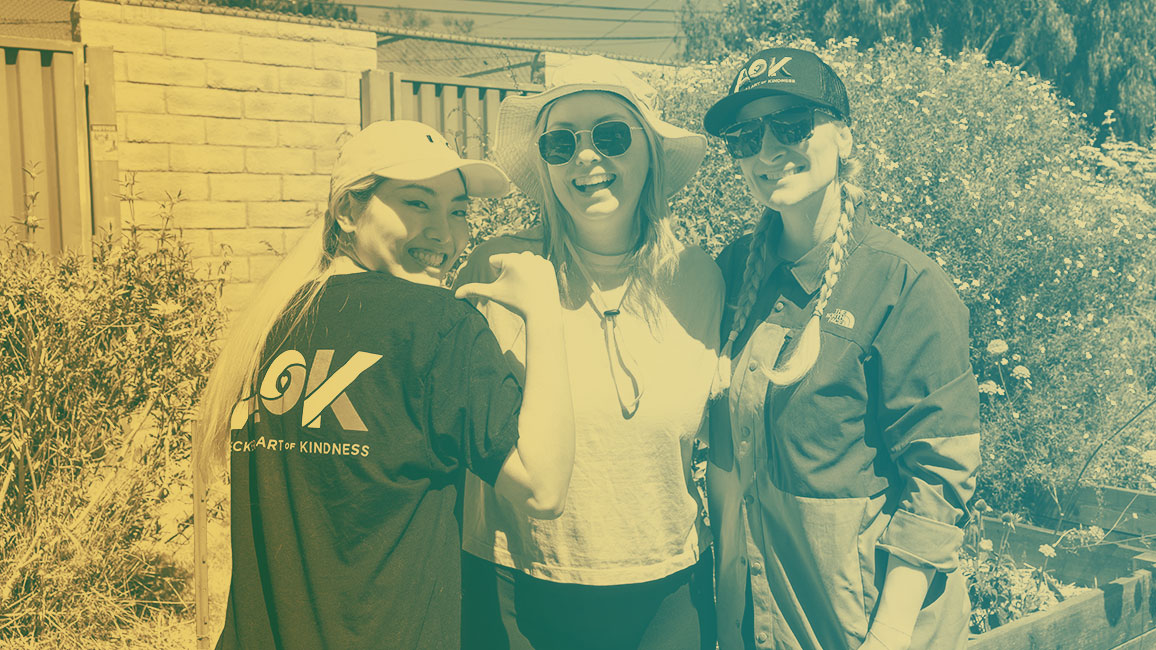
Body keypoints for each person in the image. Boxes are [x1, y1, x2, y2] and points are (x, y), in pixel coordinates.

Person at [194, 119, 576, 650]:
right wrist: (544, 311)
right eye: (418, 203)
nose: (445, 232)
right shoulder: (438, 325)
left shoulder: (268, 323)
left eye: (459, 210)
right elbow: (544, 486)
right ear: (349, 211)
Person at [702, 48, 982, 650]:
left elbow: (939, 476)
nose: (768, 151)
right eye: (746, 136)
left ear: (845, 137)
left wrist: (890, 634)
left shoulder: (904, 285)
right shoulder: (728, 274)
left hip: (865, 629)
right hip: (757, 620)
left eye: (794, 125)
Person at [457, 55, 723, 650]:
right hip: (517, 586)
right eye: (560, 142)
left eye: (610, 134)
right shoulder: (498, 268)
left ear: (650, 152)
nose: (585, 156)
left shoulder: (700, 277)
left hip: (666, 589)